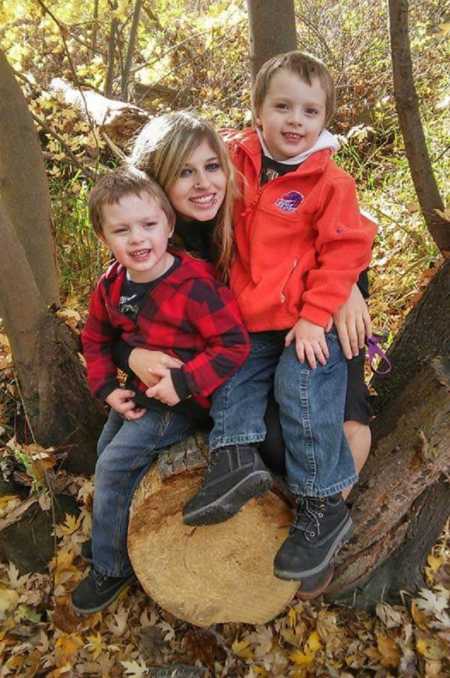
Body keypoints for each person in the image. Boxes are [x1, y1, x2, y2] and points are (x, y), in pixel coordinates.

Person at [115, 108, 374, 598]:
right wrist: (130, 357)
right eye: (182, 174)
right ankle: (264, 486)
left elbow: (343, 222)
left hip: (309, 319)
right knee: (277, 439)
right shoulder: (150, 236)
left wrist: (348, 287)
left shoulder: (243, 180)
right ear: (155, 184)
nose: (202, 183)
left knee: (341, 421)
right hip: (241, 355)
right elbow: (116, 314)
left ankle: (322, 523)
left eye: (210, 168)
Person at [179, 52, 377, 596]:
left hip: (308, 324)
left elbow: (346, 249)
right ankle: (234, 460)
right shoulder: (234, 160)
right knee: (231, 371)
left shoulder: (330, 182)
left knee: (301, 386)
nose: (295, 120)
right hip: (254, 319)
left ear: (325, 120)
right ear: (258, 111)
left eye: (310, 111)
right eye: (282, 106)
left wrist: (317, 317)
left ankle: (321, 506)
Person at [71, 167, 251, 615]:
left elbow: (234, 344)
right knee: (105, 449)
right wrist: (105, 388)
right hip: (135, 392)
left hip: (178, 403)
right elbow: (94, 339)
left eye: (149, 225)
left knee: (113, 466)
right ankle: (112, 534)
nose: (138, 239)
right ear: (103, 237)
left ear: (169, 225)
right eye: (122, 230)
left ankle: (112, 568)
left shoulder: (193, 285)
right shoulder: (112, 283)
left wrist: (186, 381)